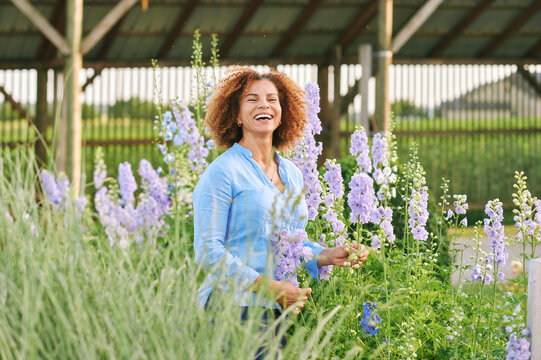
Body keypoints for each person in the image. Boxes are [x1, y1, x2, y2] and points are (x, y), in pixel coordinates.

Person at [192, 66, 369, 315]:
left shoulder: (292, 174)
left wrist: (328, 255)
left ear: (281, 113)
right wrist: (270, 287)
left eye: (271, 100)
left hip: (278, 308)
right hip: (231, 307)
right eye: (252, 100)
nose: (263, 105)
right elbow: (208, 252)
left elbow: (291, 242)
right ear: (237, 116)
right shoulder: (222, 172)